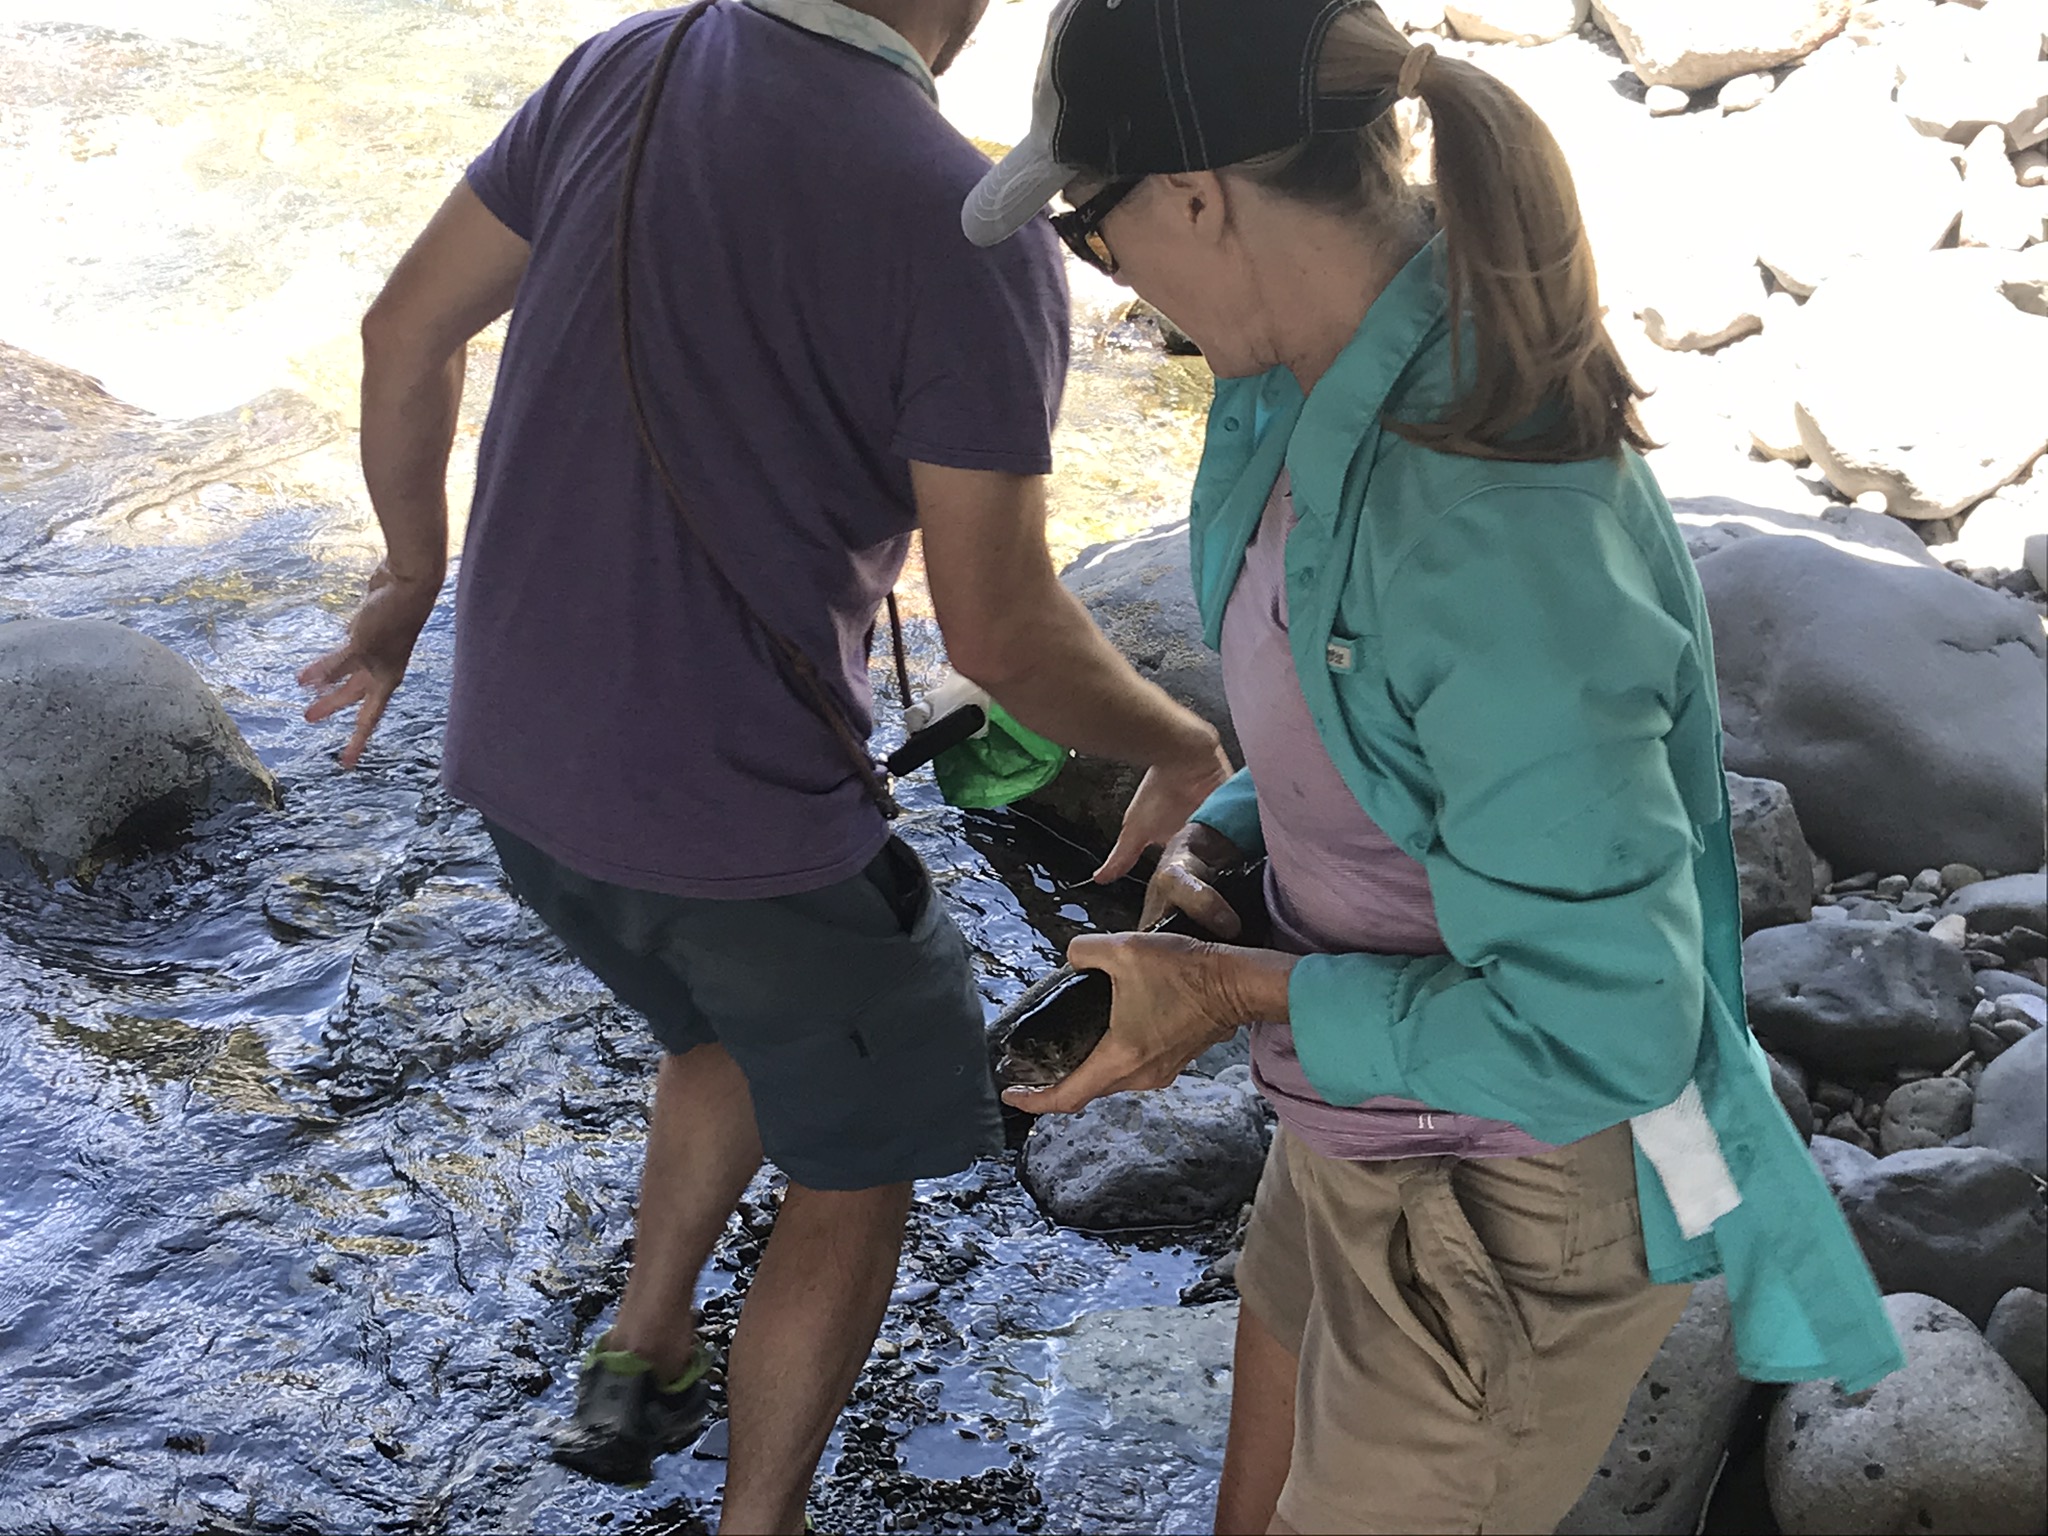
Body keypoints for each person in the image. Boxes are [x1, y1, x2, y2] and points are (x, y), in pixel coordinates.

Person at [966, 1, 1904, 1532]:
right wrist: (1234, 831)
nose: (1112, 270)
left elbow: (1609, 1019)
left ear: (1200, 196)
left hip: (1509, 1198)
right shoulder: (1305, 385)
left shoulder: (1489, 519)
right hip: (1358, 1115)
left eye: (1094, 228)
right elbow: (1383, 727)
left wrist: (1223, 996)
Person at [298, 0, 1229, 1528]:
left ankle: (643, 1354)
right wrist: (1182, 740)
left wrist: (409, 577)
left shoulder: (630, 62)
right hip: (739, 824)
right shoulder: (972, 231)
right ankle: (762, 1518)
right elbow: (998, 630)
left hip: (516, 775)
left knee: (724, 1024)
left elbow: (405, 330)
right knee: (853, 1165)